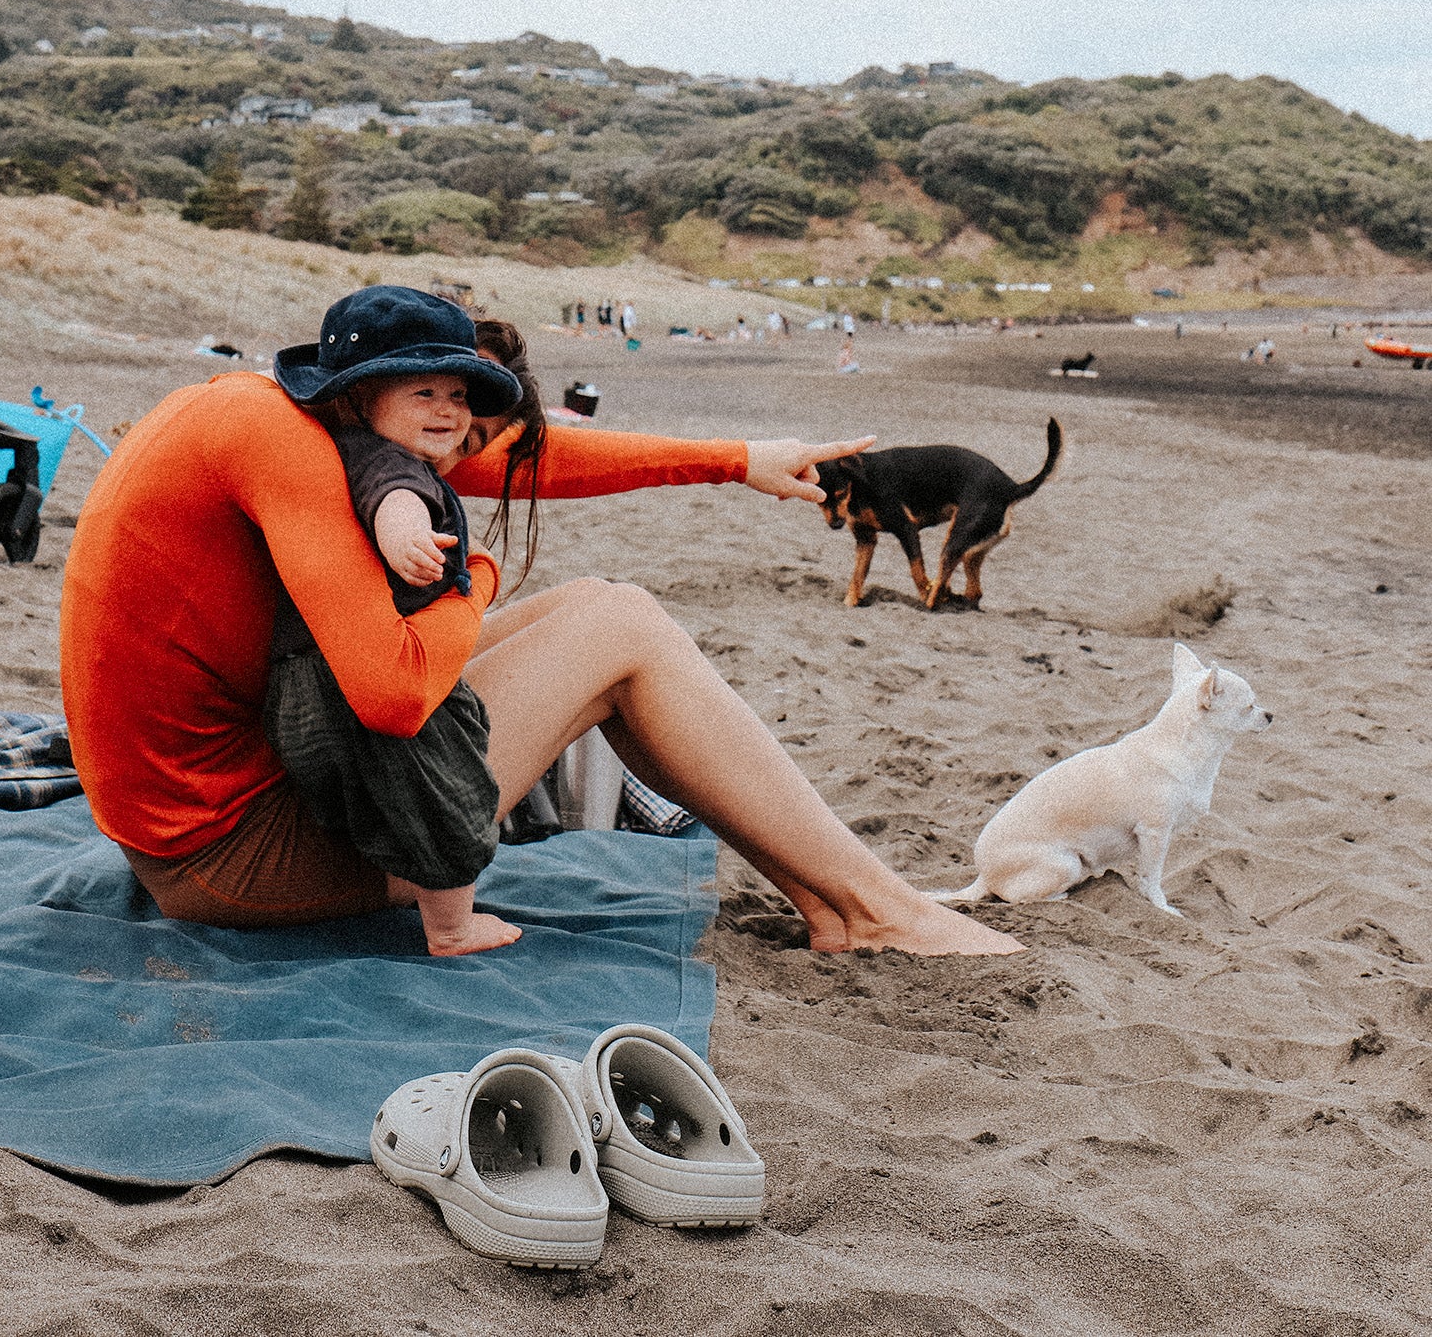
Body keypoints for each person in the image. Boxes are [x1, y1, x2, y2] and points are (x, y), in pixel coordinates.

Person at [60, 285, 1020, 959]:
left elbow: (531, 460)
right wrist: (473, 576)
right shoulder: (284, 454)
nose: (464, 440)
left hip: (212, 812)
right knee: (623, 634)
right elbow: (394, 697)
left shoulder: (288, 418)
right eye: (440, 403)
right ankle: (866, 909)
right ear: (369, 396)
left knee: (604, 606)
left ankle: (850, 898)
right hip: (236, 860)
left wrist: (736, 458)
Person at [263, 289, 525, 955]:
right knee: (447, 793)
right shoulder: (384, 462)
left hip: (317, 682)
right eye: (424, 393)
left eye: (459, 395)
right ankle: (451, 928)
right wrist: (405, 537)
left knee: (421, 779)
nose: (449, 410)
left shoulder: (353, 449)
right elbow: (393, 501)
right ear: (356, 398)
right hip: (351, 681)